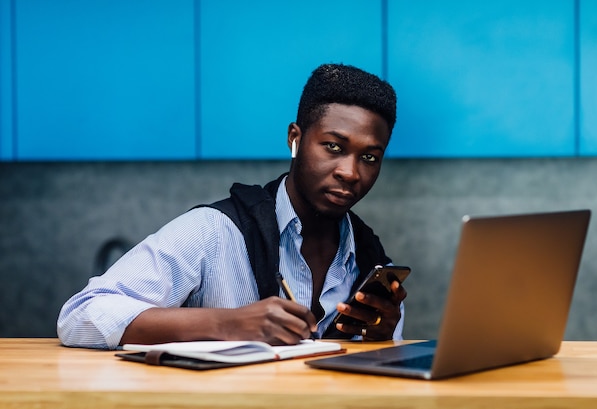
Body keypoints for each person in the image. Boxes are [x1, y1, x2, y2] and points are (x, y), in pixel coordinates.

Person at [57, 63, 407, 349]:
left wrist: (382, 340)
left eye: (370, 157)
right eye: (333, 146)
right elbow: (81, 315)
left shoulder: (372, 263)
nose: (350, 171)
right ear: (295, 139)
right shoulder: (213, 231)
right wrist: (226, 323)